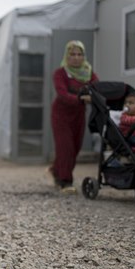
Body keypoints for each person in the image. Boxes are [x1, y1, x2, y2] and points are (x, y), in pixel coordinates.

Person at [49, 40, 98, 193]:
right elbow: (62, 94)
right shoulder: (60, 73)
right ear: (67, 56)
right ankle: (65, 181)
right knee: (66, 147)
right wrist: (81, 99)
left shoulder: (89, 73)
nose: (76, 57)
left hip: (78, 115)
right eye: (72, 54)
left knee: (75, 147)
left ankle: (56, 170)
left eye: (79, 54)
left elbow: (97, 88)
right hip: (61, 114)